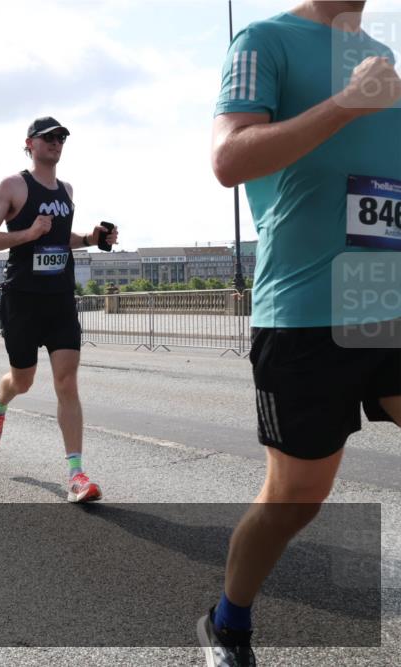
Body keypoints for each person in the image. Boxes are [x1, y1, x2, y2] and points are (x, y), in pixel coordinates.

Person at [201, 3, 401, 665]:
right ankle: (228, 622)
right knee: (296, 500)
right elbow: (228, 158)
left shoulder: (383, 56)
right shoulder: (264, 41)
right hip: (307, 312)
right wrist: (347, 102)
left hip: (386, 303)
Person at [0, 116, 118, 503]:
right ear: (30, 143)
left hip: (58, 299)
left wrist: (91, 237)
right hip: (21, 299)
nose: (57, 142)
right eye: (50, 137)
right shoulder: (13, 186)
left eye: (62, 138)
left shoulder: (67, 190)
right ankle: (0, 401)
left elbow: (62, 238)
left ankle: (76, 474)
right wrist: (28, 234)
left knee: (66, 381)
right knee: (23, 380)